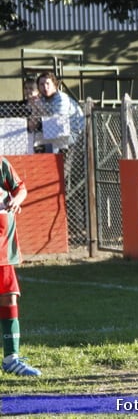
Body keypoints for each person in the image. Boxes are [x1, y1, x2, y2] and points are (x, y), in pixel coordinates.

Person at [0, 157, 41, 376]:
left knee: (9, 296)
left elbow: (20, 189)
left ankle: (11, 359)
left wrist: (16, 200)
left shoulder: (1, 164)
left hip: (3, 248)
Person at [36, 71, 84, 150]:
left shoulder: (61, 99)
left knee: (51, 140)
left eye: (48, 83)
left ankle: (51, 162)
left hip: (75, 133)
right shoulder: (42, 99)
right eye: (41, 84)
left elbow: (56, 124)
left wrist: (41, 110)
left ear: (55, 85)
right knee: (32, 137)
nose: (45, 87)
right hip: (56, 132)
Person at [22, 78, 49, 152]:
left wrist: (35, 106)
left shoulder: (42, 103)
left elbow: (45, 116)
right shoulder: (22, 105)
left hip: (41, 134)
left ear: (37, 90)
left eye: (31, 88)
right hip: (25, 135)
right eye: (26, 88)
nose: (28, 91)